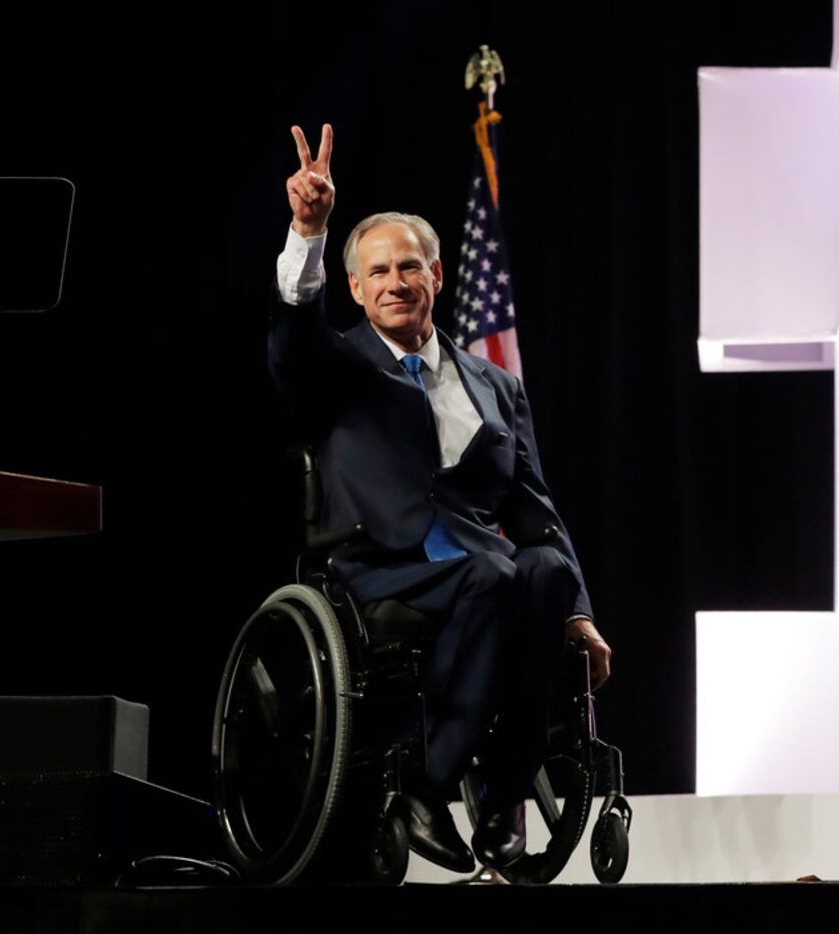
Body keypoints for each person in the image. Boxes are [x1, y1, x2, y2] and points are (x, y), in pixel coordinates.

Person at [267, 123, 612, 872]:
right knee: (497, 576)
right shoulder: (337, 368)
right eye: (379, 272)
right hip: (378, 564)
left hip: (483, 566)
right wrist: (308, 231)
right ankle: (426, 784)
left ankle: (501, 799)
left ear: (437, 276)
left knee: (543, 571)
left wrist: (580, 615)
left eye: (409, 268)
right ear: (355, 288)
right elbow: (295, 337)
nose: (396, 281)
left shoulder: (496, 385)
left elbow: (534, 504)